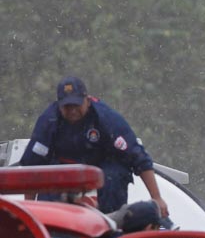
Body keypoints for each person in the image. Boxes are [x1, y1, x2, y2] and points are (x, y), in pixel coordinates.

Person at [19, 76, 168, 216]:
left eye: (76, 105)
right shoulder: (49, 121)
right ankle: (51, 224)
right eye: (67, 106)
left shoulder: (106, 118)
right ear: (59, 105)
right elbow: (32, 165)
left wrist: (157, 198)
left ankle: (110, 224)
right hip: (63, 168)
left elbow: (138, 156)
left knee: (113, 176)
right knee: (48, 179)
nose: (72, 111)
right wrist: (29, 210)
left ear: (87, 100)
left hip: (103, 165)